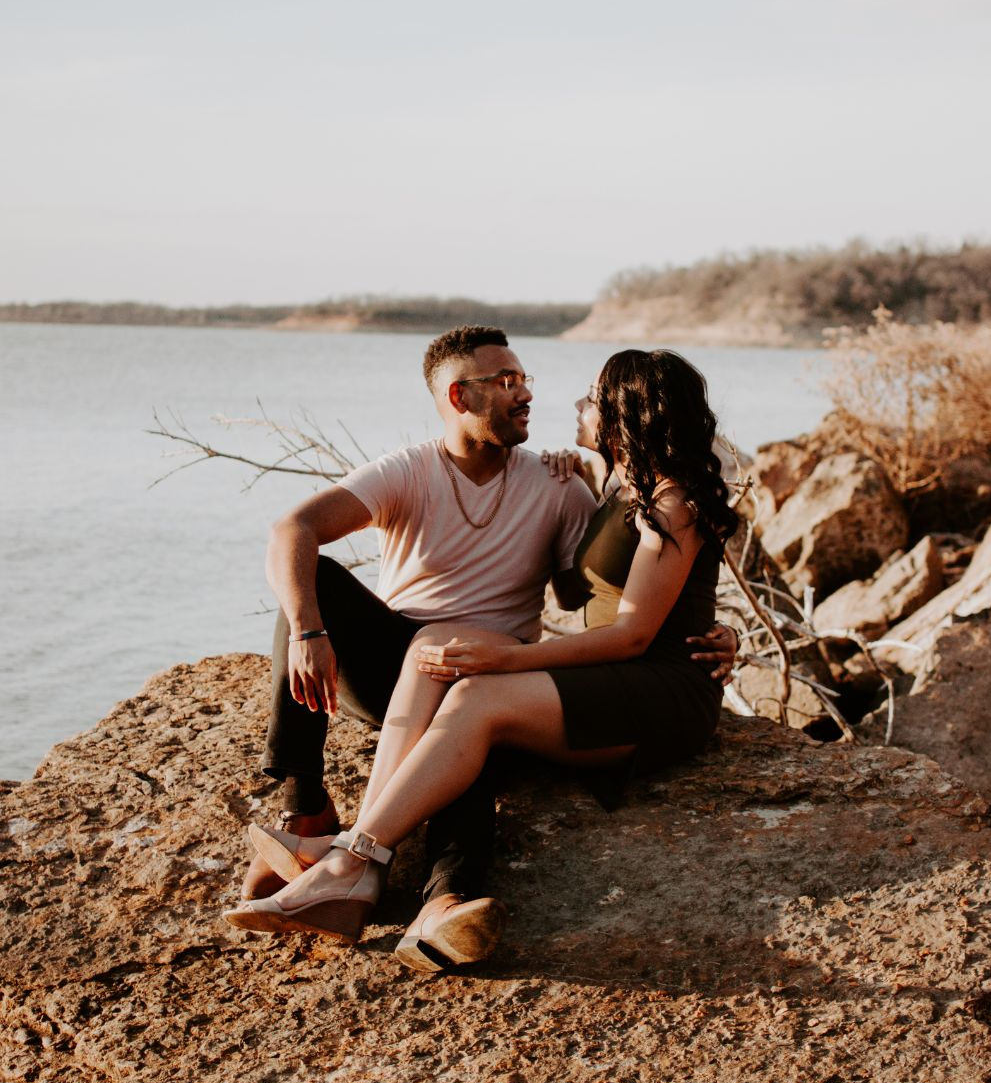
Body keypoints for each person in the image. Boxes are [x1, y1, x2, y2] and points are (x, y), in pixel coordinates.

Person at [226, 347, 740, 967]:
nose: (570, 404)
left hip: (655, 685)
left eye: (591, 397)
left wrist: (509, 660)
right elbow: (609, 592)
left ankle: (356, 861)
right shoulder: (612, 484)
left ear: (624, 413)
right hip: (613, 672)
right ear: (458, 398)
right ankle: (351, 853)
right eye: (508, 381)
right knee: (445, 668)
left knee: (473, 693)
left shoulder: (670, 502)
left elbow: (632, 631)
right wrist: (580, 479)